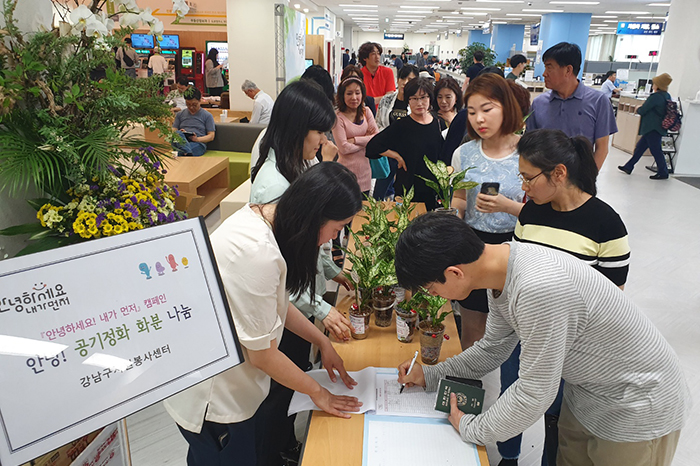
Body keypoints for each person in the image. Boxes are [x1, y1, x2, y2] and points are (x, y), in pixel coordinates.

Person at [394, 212, 690, 466]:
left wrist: (473, 427)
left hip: (637, 407)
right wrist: (430, 375)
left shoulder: (537, 287)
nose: (433, 296)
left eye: (432, 289)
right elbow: (492, 349)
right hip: (587, 395)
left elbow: (535, 393)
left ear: (454, 272)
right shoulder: (499, 270)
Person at [164, 163, 364, 466]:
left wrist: (322, 343)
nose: (330, 239)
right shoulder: (257, 254)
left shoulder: (266, 219)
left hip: (232, 386)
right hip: (214, 397)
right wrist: (319, 393)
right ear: (315, 216)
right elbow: (263, 356)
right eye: (336, 229)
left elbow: (276, 305)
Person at [499, 129, 632, 466]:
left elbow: (610, 301)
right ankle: (508, 456)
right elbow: (515, 273)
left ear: (558, 173)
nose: (523, 188)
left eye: (528, 178)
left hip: (573, 345)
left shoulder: (606, 224)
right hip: (524, 333)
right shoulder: (530, 215)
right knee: (512, 395)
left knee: (559, 419)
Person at [249, 80, 352, 466]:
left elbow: (304, 243)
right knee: (277, 391)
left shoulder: (297, 164)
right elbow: (279, 272)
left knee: (288, 387)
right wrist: (322, 311)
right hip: (284, 306)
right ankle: (274, 452)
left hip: (295, 298)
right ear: (296, 127)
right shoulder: (274, 186)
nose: (323, 139)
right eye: (318, 131)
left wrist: (329, 268)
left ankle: (283, 445)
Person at [451, 73, 525, 353]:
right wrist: (450, 216)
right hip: (473, 247)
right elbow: (460, 198)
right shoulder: (463, 154)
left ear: (506, 107)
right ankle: (470, 388)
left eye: (487, 109)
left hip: (515, 246)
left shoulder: (528, 151)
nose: (478, 119)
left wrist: (508, 206)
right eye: (471, 112)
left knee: (514, 325)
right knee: (472, 327)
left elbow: (544, 212)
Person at [526, 42, 617, 170]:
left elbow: (602, 148)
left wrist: (588, 180)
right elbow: (531, 146)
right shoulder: (539, 103)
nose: (544, 73)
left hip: (579, 178)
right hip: (544, 177)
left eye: (549, 67)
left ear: (568, 70)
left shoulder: (598, 101)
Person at [366, 77, 446, 210]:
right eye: (414, 98)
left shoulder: (439, 123)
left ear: (430, 98)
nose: (419, 103)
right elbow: (372, 147)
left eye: (423, 97)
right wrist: (396, 156)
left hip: (433, 189)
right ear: (408, 101)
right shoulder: (401, 125)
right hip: (407, 188)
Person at [373, 64, 420, 201]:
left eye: (410, 79)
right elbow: (379, 123)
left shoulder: (418, 103)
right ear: (398, 79)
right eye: (403, 78)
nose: (405, 82)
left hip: (408, 154)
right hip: (388, 152)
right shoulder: (387, 99)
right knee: (379, 194)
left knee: (402, 194)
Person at [618, 73, 673, 180]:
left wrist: (638, 108)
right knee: (640, 148)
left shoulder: (655, 97)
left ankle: (663, 172)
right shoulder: (666, 96)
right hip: (657, 127)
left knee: (656, 150)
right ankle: (629, 166)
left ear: (658, 85)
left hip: (652, 127)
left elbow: (643, 110)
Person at [332, 77, 379, 195]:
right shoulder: (338, 117)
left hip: (365, 173)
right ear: (342, 96)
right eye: (349, 93)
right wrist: (365, 142)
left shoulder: (366, 111)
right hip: (345, 174)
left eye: (357, 93)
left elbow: (377, 138)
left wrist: (354, 140)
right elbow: (344, 148)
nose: (354, 97)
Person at [171, 87, 216, 157]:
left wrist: (197, 139)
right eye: (188, 104)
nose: (191, 107)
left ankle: (184, 152)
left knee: (180, 152)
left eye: (194, 105)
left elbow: (211, 136)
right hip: (181, 142)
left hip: (197, 143)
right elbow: (174, 130)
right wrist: (182, 133)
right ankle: (187, 152)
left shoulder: (207, 115)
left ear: (200, 101)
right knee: (178, 133)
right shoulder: (180, 114)